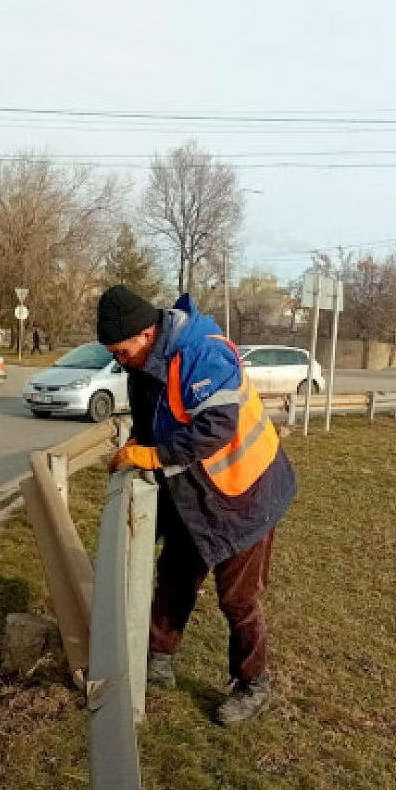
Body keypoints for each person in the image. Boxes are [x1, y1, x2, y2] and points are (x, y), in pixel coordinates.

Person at [96, 284, 297, 725]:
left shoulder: (202, 356)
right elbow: (151, 422)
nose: (118, 359)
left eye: (121, 349)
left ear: (146, 334)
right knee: (174, 577)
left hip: (246, 494)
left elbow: (216, 428)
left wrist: (150, 457)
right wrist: (136, 446)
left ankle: (253, 685)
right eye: (113, 352)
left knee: (238, 600)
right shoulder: (142, 364)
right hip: (195, 492)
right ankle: (159, 659)